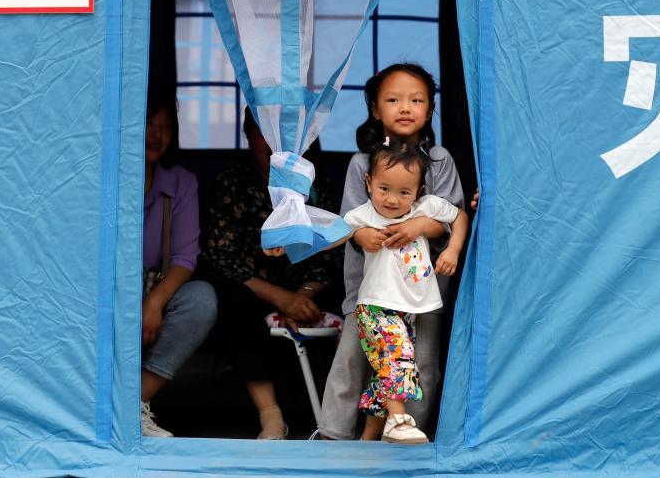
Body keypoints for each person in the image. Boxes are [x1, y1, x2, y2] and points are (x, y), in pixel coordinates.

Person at [320, 63, 466, 441]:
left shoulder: (439, 160)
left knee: (422, 365)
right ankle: (333, 437)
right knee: (353, 360)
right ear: (375, 109)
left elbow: (450, 219)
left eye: (416, 100)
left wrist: (419, 225)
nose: (405, 108)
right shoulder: (361, 162)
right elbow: (348, 223)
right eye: (393, 100)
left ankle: (406, 438)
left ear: (430, 110)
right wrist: (363, 234)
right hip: (370, 289)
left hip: (422, 292)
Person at [199, 107, 341, 440]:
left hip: (310, 290)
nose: (277, 144)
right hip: (254, 288)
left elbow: (332, 255)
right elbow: (222, 259)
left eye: (287, 135)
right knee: (234, 302)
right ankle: (271, 416)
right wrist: (283, 300)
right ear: (248, 136)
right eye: (265, 133)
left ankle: (343, 418)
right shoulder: (231, 184)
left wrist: (302, 297)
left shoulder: (318, 185)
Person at [343, 142, 467, 443]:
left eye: (403, 192)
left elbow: (460, 217)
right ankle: (398, 422)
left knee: (385, 371)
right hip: (375, 307)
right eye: (384, 188)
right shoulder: (362, 215)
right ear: (368, 182)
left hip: (406, 309)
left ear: (419, 191)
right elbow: (330, 235)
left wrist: (452, 249)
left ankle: (368, 440)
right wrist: (359, 234)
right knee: (398, 359)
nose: (392, 199)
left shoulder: (425, 208)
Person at [139, 85, 218, 438]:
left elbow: (185, 256)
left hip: (153, 287)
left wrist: (155, 302)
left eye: (166, 126)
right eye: (148, 123)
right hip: (108, 289)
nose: (157, 134)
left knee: (201, 299)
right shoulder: (105, 175)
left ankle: (133, 404)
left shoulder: (181, 182)